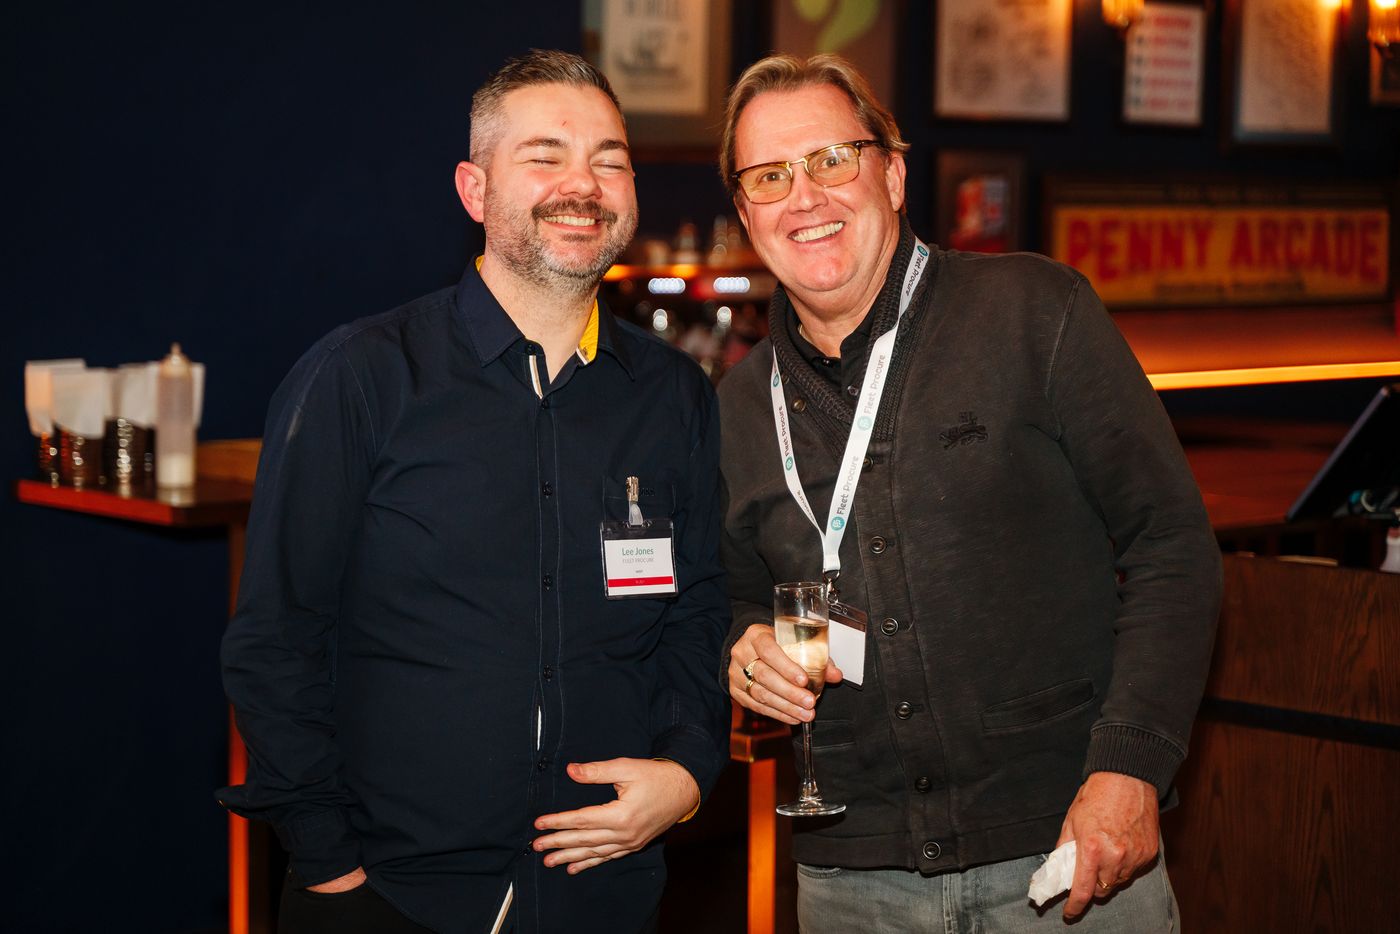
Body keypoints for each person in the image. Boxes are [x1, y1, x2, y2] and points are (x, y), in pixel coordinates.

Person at [219, 49, 730, 934]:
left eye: (608, 160)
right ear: (473, 189)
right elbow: (275, 641)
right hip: (392, 896)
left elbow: (696, 613)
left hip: (601, 894)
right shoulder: (361, 377)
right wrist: (330, 865)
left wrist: (687, 771)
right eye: (545, 156)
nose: (583, 184)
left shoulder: (672, 395)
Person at [717, 54, 1221, 932]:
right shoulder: (734, 406)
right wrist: (743, 646)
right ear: (745, 213)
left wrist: (1132, 767)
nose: (804, 196)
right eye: (769, 176)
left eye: (831, 159)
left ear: (893, 174)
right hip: (850, 882)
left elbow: (1171, 545)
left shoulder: (1034, 311)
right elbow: (728, 600)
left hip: (1068, 858)